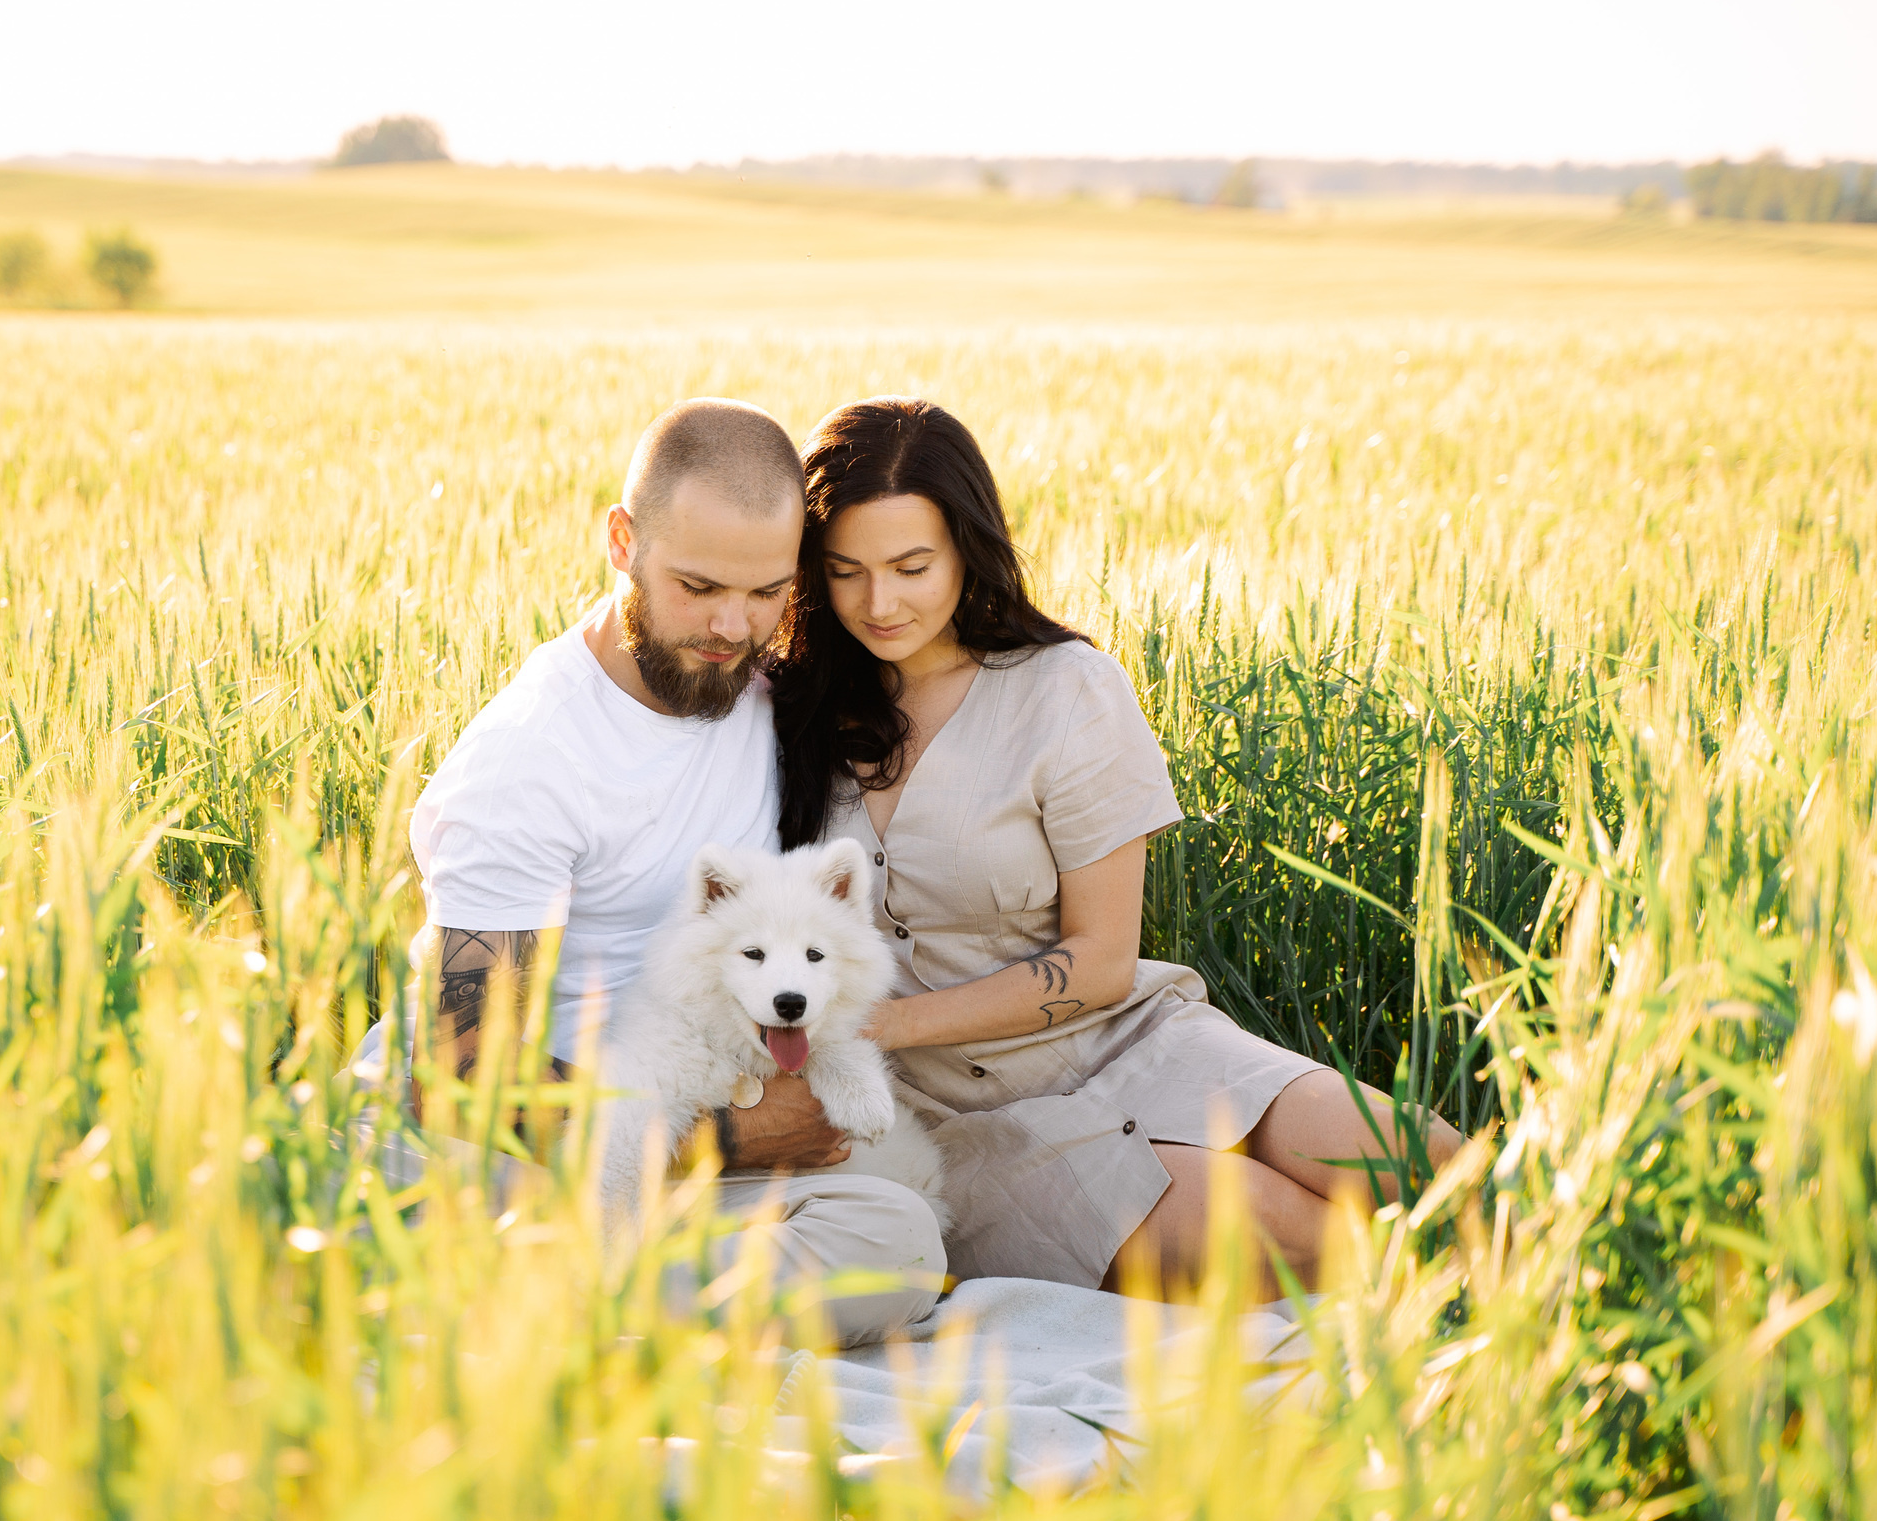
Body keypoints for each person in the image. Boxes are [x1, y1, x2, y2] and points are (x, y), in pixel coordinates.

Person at [767, 397, 1462, 1298]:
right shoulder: (784, 717)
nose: (879, 602)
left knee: (1430, 1167)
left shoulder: (1069, 690)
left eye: (911, 566)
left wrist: (884, 1021)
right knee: (1298, 1239)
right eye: (846, 571)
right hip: (950, 1117)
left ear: (968, 549)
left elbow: (1099, 963)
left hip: (1122, 1039)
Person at [405, 397, 946, 1346]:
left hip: (695, 1123)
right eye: (697, 586)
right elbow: (460, 1073)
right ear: (622, 541)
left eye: (769, 592)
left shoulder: (759, 688)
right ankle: (529, 1290)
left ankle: (557, 1294)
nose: (733, 626)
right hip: (536, 1146)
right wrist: (730, 1139)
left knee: (897, 1238)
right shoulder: (531, 763)